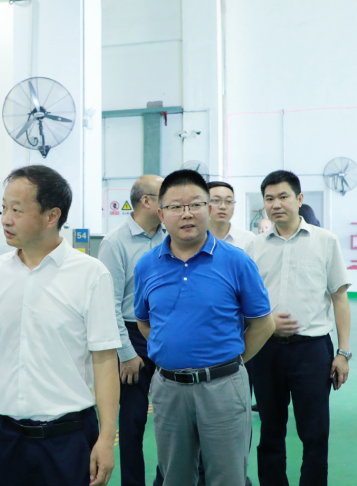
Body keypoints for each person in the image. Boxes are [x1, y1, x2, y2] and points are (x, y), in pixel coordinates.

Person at [0, 165, 121, 486]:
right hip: (5, 437)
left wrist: (106, 438)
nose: (5, 219)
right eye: (4, 208)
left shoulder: (90, 274)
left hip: (67, 440)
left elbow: (104, 361)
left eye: (17, 210)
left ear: (51, 216)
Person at [134, 169, 274, 486]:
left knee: (228, 477)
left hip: (224, 387)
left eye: (195, 204)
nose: (187, 214)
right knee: (174, 477)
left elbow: (263, 323)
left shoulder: (236, 261)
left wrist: (230, 360)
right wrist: (170, 350)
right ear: (161, 214)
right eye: (175, 207)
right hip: (169, 388)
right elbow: (144, 320)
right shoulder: (147, 265)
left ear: (208, 209)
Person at [244, 170, 352, 486]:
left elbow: (340, 299)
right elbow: (244, 301)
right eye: (269, 199)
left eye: (283, 197)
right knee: (270, 429)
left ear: (299, 199)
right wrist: (264, 326)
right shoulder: (254, 247)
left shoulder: (325, 241)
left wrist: (343, 352)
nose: (276, 204)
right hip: (265, 350)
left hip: (312, 351)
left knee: (315, 432)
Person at [97, 174, 166, 486]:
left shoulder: (170, 237)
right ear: (147, 201)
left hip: (165, 333)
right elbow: (108, 303)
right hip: (130, 336)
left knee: (172, 419)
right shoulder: (115, 243)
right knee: (133, 422)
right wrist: (126, 354)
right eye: (165, 197)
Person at [208, 181, 256, 250]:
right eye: (216, 200)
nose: (223, 206)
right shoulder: (194, 238)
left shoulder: (248, 239)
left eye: (228, 201)